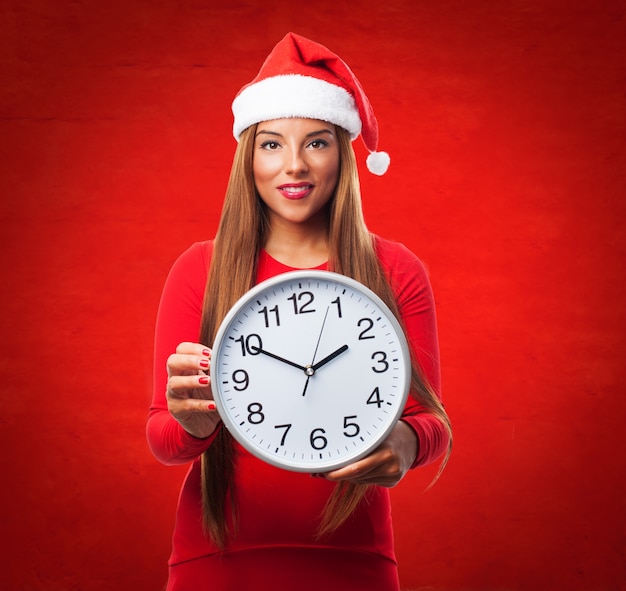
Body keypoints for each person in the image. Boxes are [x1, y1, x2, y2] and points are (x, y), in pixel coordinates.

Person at [147, 32, 452, 591]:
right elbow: (163, 436)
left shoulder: (396, 269)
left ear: (342, 152)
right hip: (215, 562)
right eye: (271, 144)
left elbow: (430, 422)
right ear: (248, 156)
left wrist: (405, 445)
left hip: (354, 563)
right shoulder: (199, 269)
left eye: (316, 142)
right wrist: (191, 423)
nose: (294, 166)